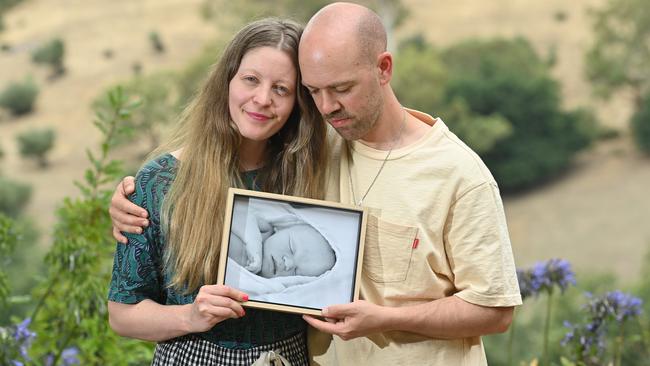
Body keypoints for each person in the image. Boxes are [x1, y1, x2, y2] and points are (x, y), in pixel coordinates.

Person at [109, 3, 522, 365]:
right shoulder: (310, 155)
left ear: (384, 69)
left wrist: (387, 319)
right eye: (314, 91)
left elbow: (495, 310)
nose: (327, 106)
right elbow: (125, 307)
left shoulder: (452, 174)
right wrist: (128, 198)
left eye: (340, 89)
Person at [107, 18, 328, 365]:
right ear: (227, 80)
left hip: (287, 357)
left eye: (281, 89)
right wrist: (189, 317)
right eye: (251, 80)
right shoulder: (161, 181)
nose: (262, 99)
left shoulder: (314, 174)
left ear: (300, 103)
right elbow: (122, 313)